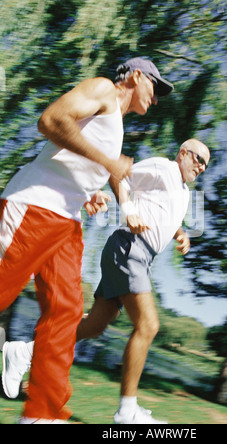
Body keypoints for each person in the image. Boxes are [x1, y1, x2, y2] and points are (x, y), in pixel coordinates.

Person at [0, 57, 174, 424]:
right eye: (154, 88)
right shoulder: (104, 90)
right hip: (35, 205)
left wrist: (90, 190)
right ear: (136, 76)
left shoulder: (116, 125)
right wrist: (108, 164)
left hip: (66, 220)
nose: (155, 99)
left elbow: (78, 161)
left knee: (64, 315)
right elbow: (50, 121)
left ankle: (42, 416)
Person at [1, 139, 210, 424]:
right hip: (130, 247)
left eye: (206, 165)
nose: (201, 167)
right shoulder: (164, 168)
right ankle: (127, 411)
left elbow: (164, 213)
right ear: (183, 153)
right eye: (198, 159)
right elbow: (118, 173)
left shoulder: (183, 191)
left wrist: (180, 233)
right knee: (148, 325)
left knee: (96, 325)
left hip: (141, 257)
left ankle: (25, 351)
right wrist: (128, 210)